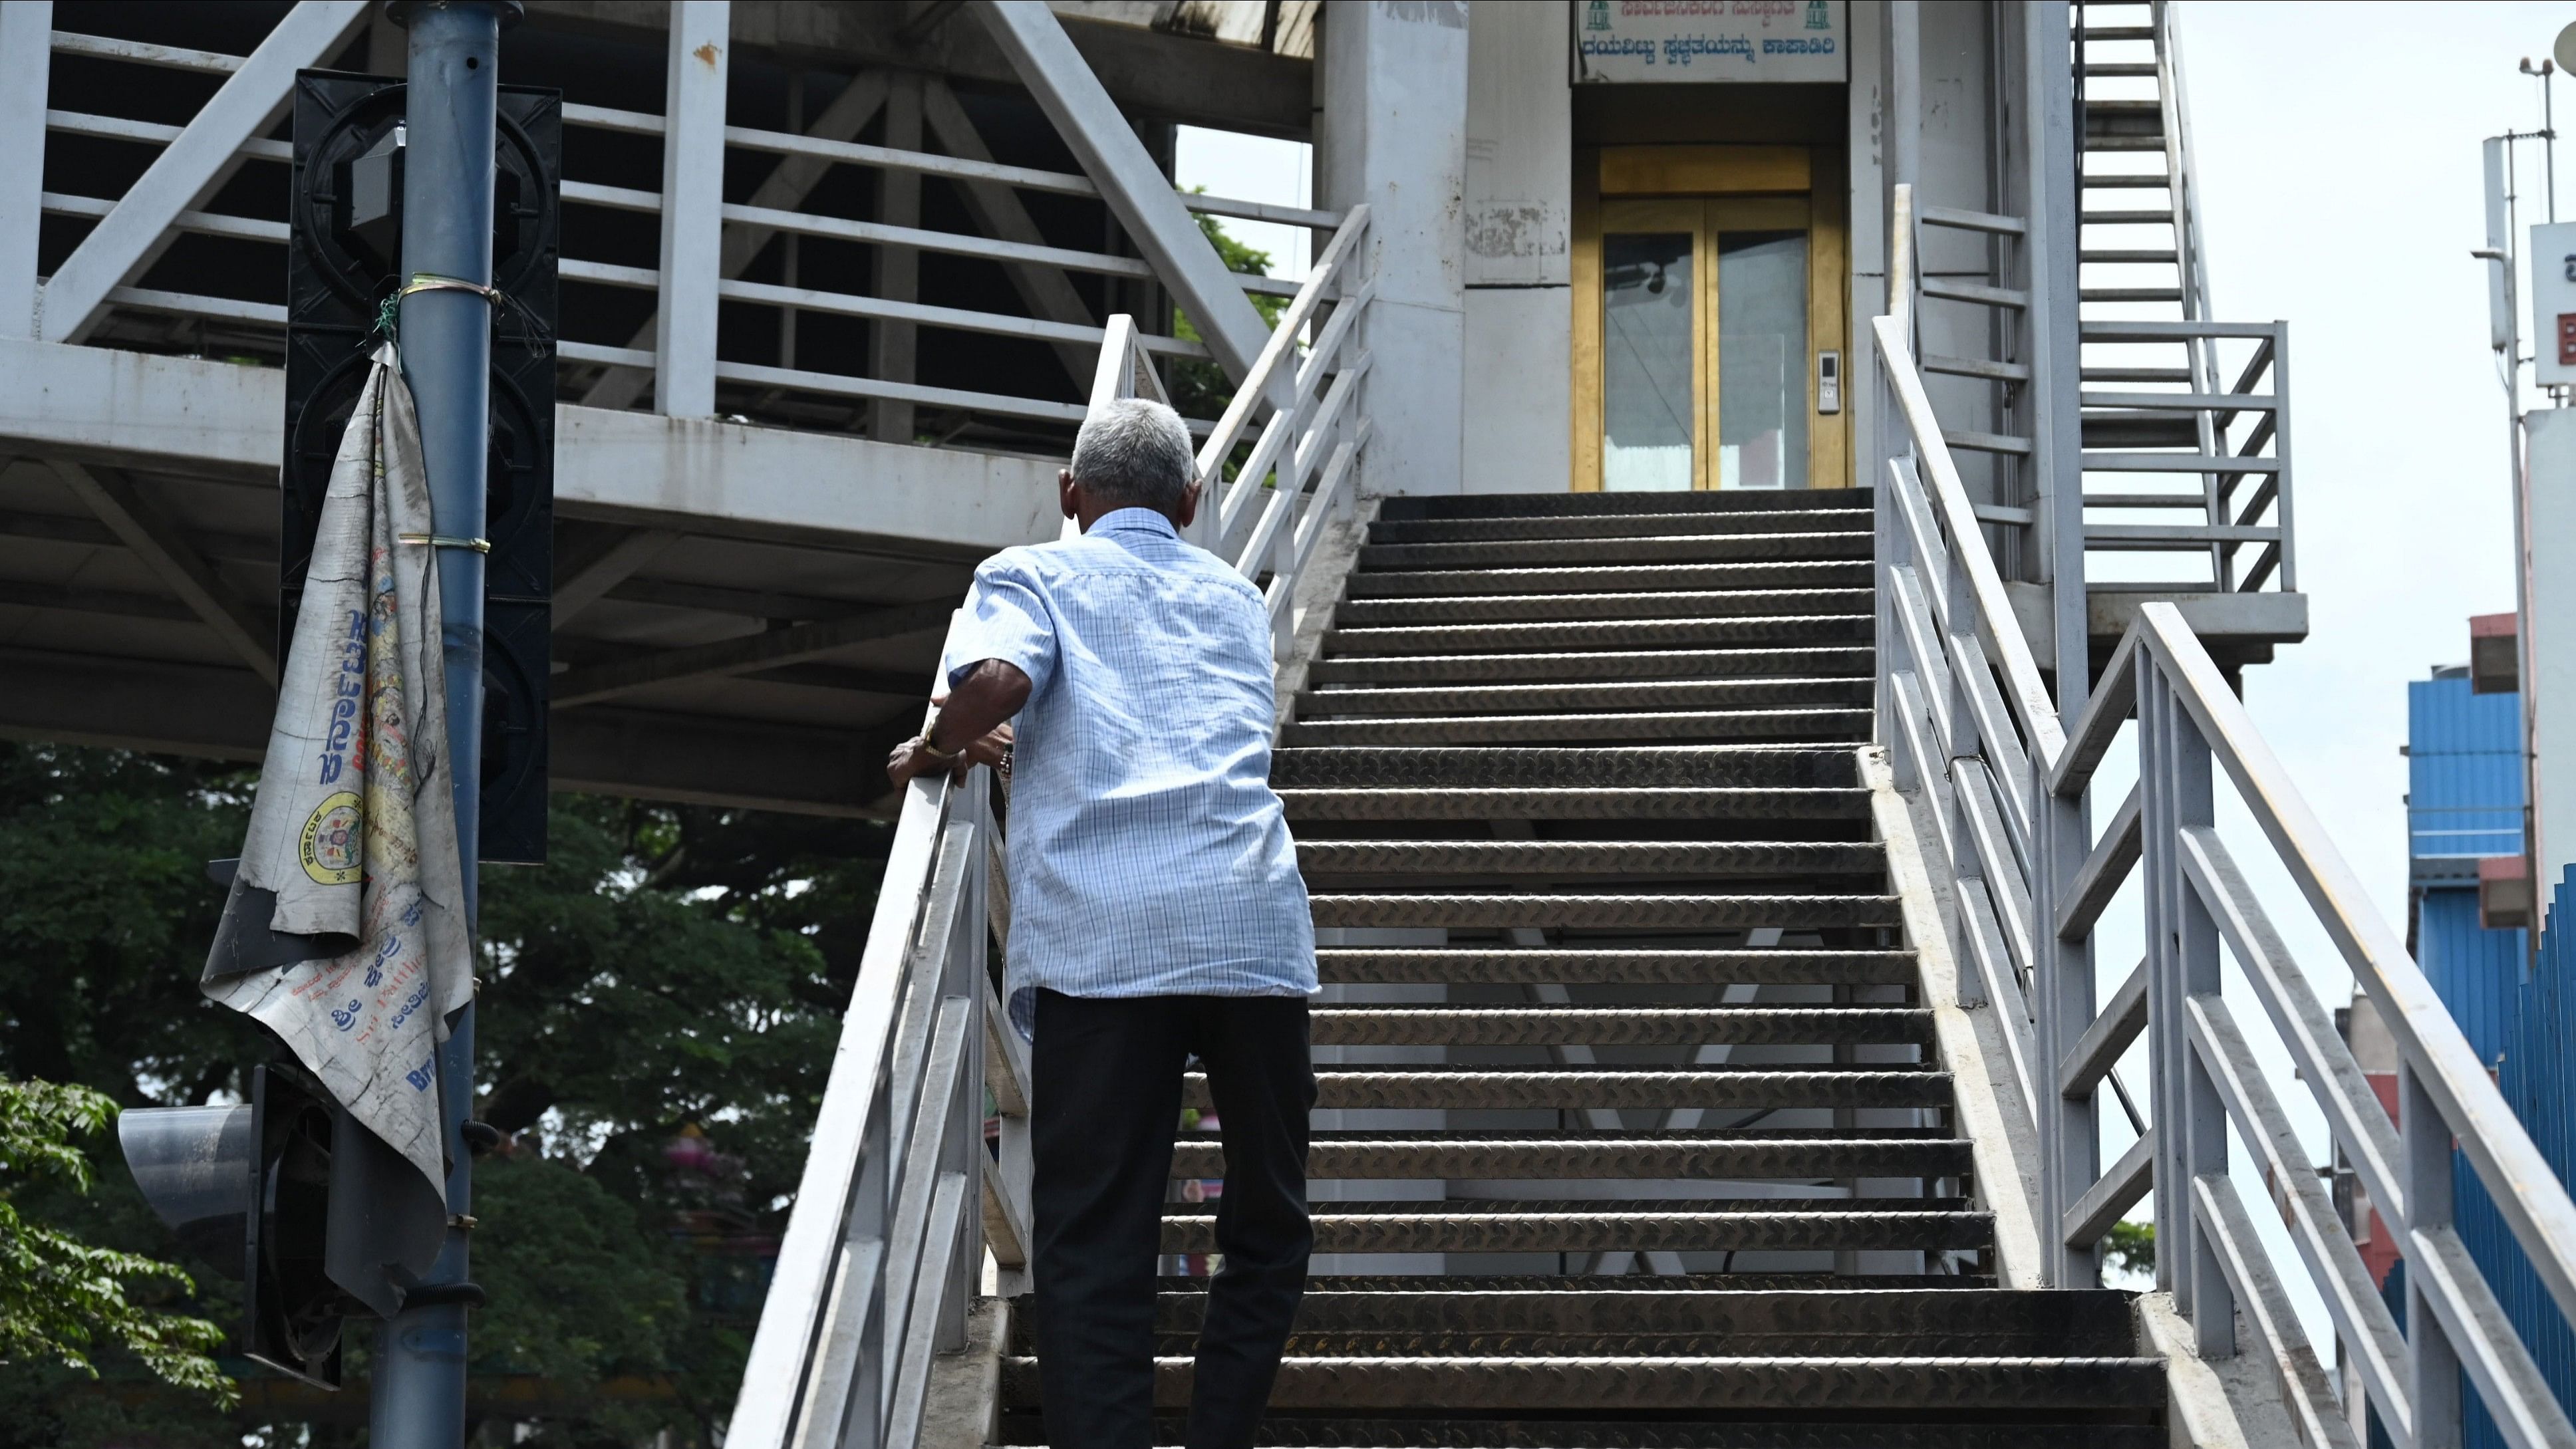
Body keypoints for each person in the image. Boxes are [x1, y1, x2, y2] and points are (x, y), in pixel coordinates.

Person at [887, 396, 1318, 1449]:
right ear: (1192, 500)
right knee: (1266, 1217)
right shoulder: (1231, 594)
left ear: (1069, 496)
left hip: (1104, 939)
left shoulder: (1033, 570)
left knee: (1093, 1237)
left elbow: (996, 677)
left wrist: (943, 747)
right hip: (1247, 924)